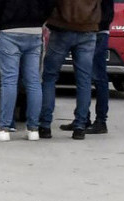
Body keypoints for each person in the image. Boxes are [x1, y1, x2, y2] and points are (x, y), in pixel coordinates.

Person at [0, 0, 57, 142]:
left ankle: (3, 128)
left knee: (9, 81)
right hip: (34, 30)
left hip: (9, 29)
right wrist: (39, 19)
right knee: (33, 81)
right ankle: (33, 129)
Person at [38, 0, 101, 140]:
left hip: (62, 28)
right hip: (88, 29)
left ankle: (45, 125)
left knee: (49, 77)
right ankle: (80, 126)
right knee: (84, 81)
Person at [60, 0, 113, 135]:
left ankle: (100, 121)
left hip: (96, 30)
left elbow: (107, 11)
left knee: (96, 77)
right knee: (84, 77)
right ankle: (83, 118)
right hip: (91, 29)